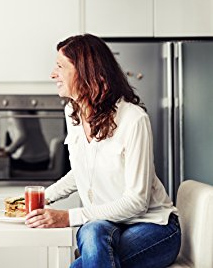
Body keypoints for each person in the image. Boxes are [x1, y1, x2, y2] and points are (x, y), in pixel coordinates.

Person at [25, 34, 181, 268]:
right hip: (107, 224)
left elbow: (137, 202)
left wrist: (68, 217)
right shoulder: (72, 113)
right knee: (93, 229)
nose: (52, 74)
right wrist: (42, 198)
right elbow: (81, 172)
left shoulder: (133, 119)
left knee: (89, 245)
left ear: (85, 72)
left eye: (60, 66)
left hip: (154, 227)